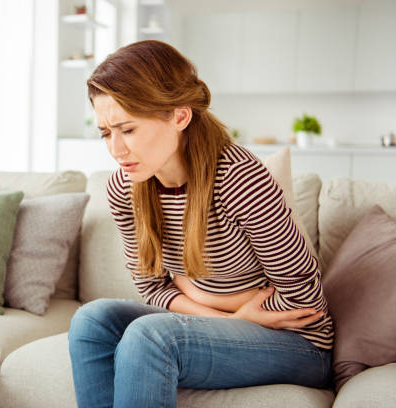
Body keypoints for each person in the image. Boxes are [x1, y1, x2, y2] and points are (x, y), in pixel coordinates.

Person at [67, 40, 334, 408]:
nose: (116, 150)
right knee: (92, 321)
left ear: (179, 116)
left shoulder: (239, 179)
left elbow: (303, 298)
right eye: (106, 133)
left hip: (299, 344)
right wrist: (235, 312)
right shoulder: (125, 188)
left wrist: (193, 291)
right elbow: (153, 289)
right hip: (239, 324)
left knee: (151, 337)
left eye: (127, 130)